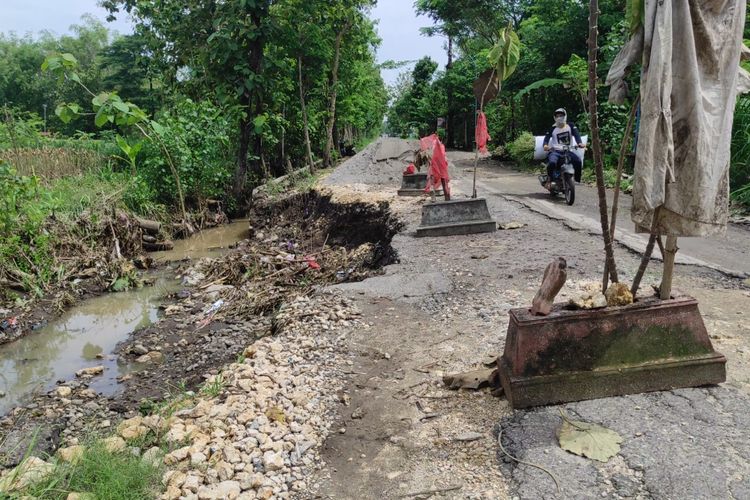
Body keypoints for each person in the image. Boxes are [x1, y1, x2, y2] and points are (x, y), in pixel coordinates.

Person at [543, 108, 585, 188]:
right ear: (554, 118)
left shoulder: (571, 125)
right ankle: (550, 179)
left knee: (578, 161)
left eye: (561, 115)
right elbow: (546, 138)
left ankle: (577, 180)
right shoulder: (552, 128)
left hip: (568, 151)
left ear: (565, 116)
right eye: (557, 116)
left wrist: (579, 143)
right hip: (555, 151)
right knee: (552, 163)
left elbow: (576, 135)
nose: (559, 117)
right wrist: (545, 145)